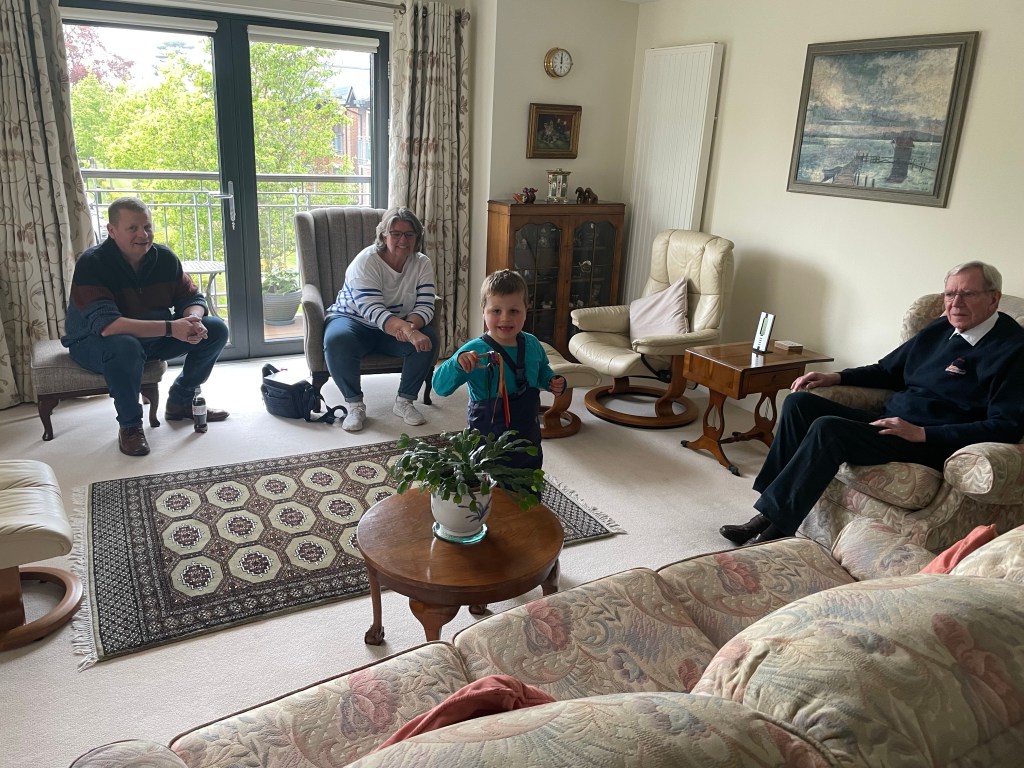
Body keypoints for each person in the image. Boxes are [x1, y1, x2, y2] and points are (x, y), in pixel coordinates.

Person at [720, 260, 1024, 545]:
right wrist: (836, 377)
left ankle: (776, 531)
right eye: (950, 294)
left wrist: (922, 433)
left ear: (993, 299)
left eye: (968, 294)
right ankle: (767, 513)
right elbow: (887, 370)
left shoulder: (1013, 349)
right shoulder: (941, 328)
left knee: (829, 429)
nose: (956, 303)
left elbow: (1006, 426)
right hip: (891, 424)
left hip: (932, 441)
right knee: (799, 404)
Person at [62, 197, 230, 457]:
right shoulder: (92, 263)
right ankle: (130, 426)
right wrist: (171, 328)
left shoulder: (164, 258)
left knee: (216, 329)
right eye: (133, 228)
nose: (143, 234)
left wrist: (193, 319)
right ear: (112, 230)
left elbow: (192, 298)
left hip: (152, 337)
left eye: (147, 227)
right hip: (94, 343)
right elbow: (108, 326)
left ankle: (181, 401)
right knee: (125, 346)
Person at [433, 269, 566, 470]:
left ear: (526, 310)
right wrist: (457, 363)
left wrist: (551, 380)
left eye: (514, 311)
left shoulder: (532, 344)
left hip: (527, 434)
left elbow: (541, 371)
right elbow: (440, 387)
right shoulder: (473, 350)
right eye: (496, 311)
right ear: (483, 311)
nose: (505, 318)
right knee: (488, 481)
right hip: (486, 438)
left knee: (528, 475)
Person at [324, 207, 437, 432]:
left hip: (396, 325)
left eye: (409, 234)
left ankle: (404, 401)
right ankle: (355, 406)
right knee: (336, 340)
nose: (403, 240)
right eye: (396, 234)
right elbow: (372, 310)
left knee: (429, 338)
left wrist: (411, 327)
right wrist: (409, 331)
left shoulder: (422, 263)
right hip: (354, 321)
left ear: (417, 237)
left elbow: (426, 304)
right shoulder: (366, 262)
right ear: (384, 236)